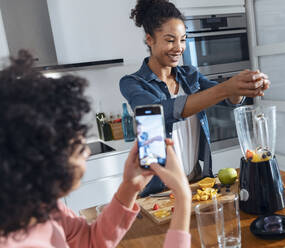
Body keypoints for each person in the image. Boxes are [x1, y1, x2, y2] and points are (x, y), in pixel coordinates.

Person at [0, 50, 191, 248]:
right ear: (42, 155)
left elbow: (89, 242)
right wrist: (183, 197)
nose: (88, 151)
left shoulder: (44, 206)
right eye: (78, 144)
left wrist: (130, 186)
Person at [119, 0, 270, 196]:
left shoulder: (190, 75)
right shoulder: (132, 83)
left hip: (196, 179)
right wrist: (226, 87)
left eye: (183, 39)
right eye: (170, 39)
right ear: (150, 40)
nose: (179, 47)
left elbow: (228, 100)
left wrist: (244, 85)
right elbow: (160, 112)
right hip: (159, 187)